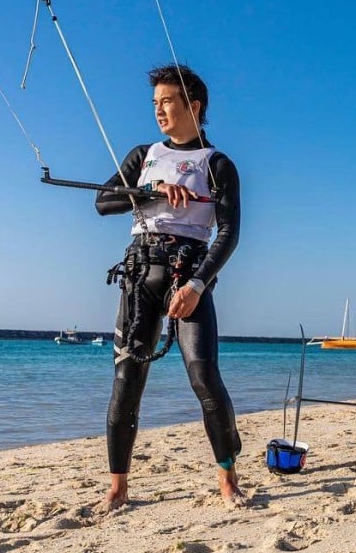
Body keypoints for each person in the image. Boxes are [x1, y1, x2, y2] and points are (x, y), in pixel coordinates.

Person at [94, 64, 245, 510]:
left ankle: (228, 479)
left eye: (167, 102)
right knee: (126, 381)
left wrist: (197, 284)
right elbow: (103, 202)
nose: (159, 110)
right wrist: (151, 190)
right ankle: (118, 488)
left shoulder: (217, 165)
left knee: (204, 378)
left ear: (193, 106)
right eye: (155, 103)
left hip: (189, 274)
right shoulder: (144, 156)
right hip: (141, 274)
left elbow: (229, 233)